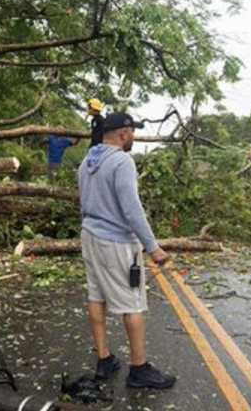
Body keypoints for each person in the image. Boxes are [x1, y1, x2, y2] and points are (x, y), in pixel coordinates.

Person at [77, 112, 175, 389]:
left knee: (96, 296)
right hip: (116, 242)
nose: (134, 137)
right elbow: (132, 210)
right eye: (133, 132)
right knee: (132, 303)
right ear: (123, 133)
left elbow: (82, 203)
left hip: (90, 236)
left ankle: (104, 359)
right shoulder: (122, 161)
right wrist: (153, 247)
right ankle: (139, 369)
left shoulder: (87, 162)